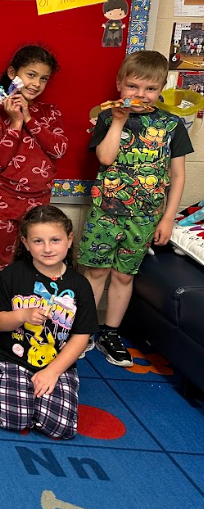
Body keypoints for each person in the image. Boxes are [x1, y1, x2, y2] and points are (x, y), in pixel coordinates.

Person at [79, 51, 193, 367]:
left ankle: (110, 332)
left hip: (145, 217)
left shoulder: (172, 125)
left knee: (123, 275)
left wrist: (168, 218)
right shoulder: (107, 117)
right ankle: (82, 330)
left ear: (161, 89)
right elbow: (105, 158)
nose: (140, 95)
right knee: (95, 272)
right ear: (120, 84)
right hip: (105, 211)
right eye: (133, 86)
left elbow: (178, 175)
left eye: (150, 89)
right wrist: (118, 120)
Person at [0, 206, 97, 440]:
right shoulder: (12, 275)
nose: (47, 248)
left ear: (69, 240)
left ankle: (30, 392)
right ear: (25, 243)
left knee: (60, 428)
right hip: (12, 359)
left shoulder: (80, 285)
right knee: (13, 419)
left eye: (55, 240)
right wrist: (21, 316)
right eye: (38, 241)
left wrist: (52, 372)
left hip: (56, 363)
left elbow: (81, 336)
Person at [0, 45, 68, 293]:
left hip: (39, 202)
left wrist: (28, 117)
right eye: (31, 75)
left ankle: (28, 311)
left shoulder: (50, 112)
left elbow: (59, 149)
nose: (36, 83)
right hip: (4, 201)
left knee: (36, 263)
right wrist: (16, 122)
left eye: (43, 78)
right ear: (13, 73)